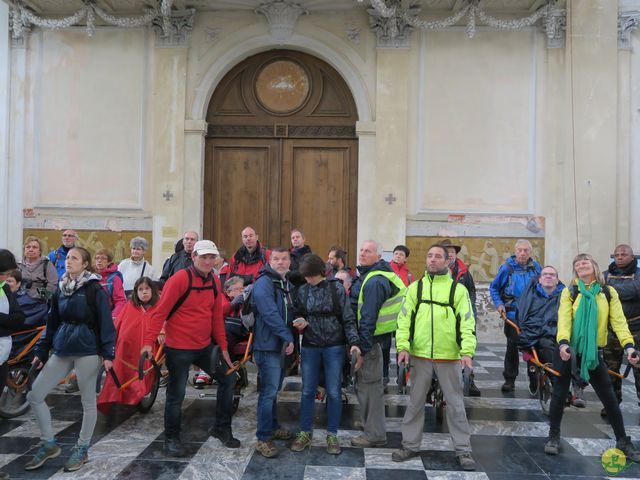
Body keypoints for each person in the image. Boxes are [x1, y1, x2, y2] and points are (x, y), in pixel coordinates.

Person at [141, 240, 238, 457]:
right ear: (193, 256)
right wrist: (148, 342)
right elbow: (160, 312)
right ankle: (171, 437)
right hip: (179, 348)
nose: (207, 261)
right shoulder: (179, 279)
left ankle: (221, 428)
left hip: (204, 347)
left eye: (211, 257)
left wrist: (223, 347)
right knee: (176, 394)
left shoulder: (214, 280)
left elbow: (215, 317)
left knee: (229, 379)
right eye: (203, 256)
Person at [26, 247, 116, 473]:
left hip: (88, 350)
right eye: (67, 258)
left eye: (74, 258)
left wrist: (108, 354)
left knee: (87, 402)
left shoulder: (94, 288)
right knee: (35, 394)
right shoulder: (61, 289)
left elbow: (106, 322)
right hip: (63, 347)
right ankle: (48, 443)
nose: (69, 261)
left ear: (85, 264)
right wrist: (41, 351)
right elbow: (52, 321)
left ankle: (82, 448)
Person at [544, 253, 640, 461]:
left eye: (585, 262)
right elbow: (564, 321)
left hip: (593, 352)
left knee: (609, 397)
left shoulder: (607, 292)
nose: (581, 265)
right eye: (577, 264)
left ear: (594, 267)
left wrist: (629, 346)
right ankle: (553, 436)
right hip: (567, 351)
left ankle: (622, 440)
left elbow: (619, 322)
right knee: (559, 394)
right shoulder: (570, 292)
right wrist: (563, 343)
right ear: (575, 271)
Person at [392, 244, 477, 470]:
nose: (432, 260)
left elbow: (468, 322)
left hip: (448, 357)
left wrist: (467, 352)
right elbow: (403, 321)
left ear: (447, 261)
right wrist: (403, 347)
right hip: (420, 355)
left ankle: (463, 450)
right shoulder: (415, 289)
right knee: (415, 403)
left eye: (438, 256)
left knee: (456, 405)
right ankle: (409, 445)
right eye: (429, 256)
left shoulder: (457, 291)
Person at [289, 254, 360, 455]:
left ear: (320, 272)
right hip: (310, 345)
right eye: (306, 276)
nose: (309, 280)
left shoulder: (335, 288)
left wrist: (354, 343)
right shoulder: (302, 291)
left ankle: (332, 434)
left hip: (334, 346)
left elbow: (347, 317)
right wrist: (300, 321)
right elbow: (297, 313)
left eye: (311, 275)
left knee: (335, 391)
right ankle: (304, 432)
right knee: (307, 391)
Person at [349, 240, 406, 448]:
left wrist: (362, 349)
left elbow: (368, 318)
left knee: (370, 388)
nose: (362, 253)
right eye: (361, 250)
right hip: (376, 341)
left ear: (379, 257)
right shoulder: (375, 275)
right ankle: (369, 423)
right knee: (365, 386)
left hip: (371, 343)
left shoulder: (374, 280)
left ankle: (374, 435)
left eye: (368, 251)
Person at [515, 266, 587, 406]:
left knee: (575, 349)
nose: (548, 276)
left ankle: (577, 386)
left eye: (552, 275)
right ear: (540, 279)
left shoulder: (565, 295)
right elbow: (524, 318)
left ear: (557, 279)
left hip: (561, 333)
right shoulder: (530, 296)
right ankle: (562, 389)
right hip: (539, 335)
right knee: (550, 350)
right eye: (545, 274)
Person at [252, 248, 295, 458]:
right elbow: (269, 313)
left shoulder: (283, 282)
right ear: (269, 261)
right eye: (276, 259)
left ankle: (273, 426)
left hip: (276, 345)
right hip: (267, 346)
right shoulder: (264, 283)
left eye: (284, 259)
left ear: (290, 262)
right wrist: (287, 335)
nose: (281, 262)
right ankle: (263, 437)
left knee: (273, 391)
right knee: (268, 393)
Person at [97, 277, 160, 413]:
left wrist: (163, 331)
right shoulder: (130, 306)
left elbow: (164, 321)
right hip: (125, 347)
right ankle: (116, 395)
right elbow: (118, 324)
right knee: (119, 370)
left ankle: (137, 393)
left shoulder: (159, 306)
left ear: (152, 290)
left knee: (141, 371)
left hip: (146, 349)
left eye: (147, 289)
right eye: (140, 289)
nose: (144, 292)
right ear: (135, 292)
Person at [489, 239, 541, 392]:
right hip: (513, 313)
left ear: (530, 252)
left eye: (526, 250)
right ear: (515, 251)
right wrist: (499, 304)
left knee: (533, 346)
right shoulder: (507, 268)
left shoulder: (536, 268)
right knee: (512, 347)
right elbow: (494, 288)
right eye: (520, 250)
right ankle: (509, 379)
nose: (523, 253)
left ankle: (534, 378)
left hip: (532, 313)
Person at [441, 239, 481, 397]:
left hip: (463, 313)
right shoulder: (435, 269)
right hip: (443, 315)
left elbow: (471, 290)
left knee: (467, 346)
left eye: (452, 251)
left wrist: (469, 308)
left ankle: (469, 380)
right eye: (447, 251)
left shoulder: (464, 272)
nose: (449, 254)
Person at [0, 250, 26, 480]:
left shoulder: (5, 289)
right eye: (2, 274)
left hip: (2, 354)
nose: (4, 278)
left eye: (6, 274)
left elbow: (18, 319)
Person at [603, 244, 640, 408]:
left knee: (638, 367)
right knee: (610, 369)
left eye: (623, 254)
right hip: (611, 330)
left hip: (636, 328)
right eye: (616, 254)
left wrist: (609, 290)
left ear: (632, 257)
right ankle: (612, 403)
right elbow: (599, 290)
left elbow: (634, 290)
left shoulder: (638, 275)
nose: (619, 257)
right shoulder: (604, 275)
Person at [18, 236, 58, 303]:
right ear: (24, 250)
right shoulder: (18, 265)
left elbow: (53, 284)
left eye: (34, 247)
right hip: (20, 301)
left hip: (40, 303)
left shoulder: (47, 264)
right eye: (28, 247)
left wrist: (41, 298)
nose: (31, 249)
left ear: (40, 251)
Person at [95, 248, 127, 317]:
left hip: (108, 316)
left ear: (109, 262)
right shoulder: (91, 276)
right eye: (97, 258)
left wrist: (113, 316)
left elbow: (120, 301)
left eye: (103, 258)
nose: (99, 261)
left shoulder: (114, 278)